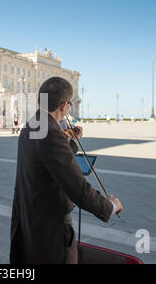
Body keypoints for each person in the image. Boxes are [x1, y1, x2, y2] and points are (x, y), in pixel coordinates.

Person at [10, 77, 123, 264]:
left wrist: (70, 141)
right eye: (68, 105)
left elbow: (51, 161)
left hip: (30, 217)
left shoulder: (31, 125)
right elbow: (77, 186)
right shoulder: (50, 132)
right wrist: (109, 207)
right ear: (63, 105)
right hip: (50, 228)